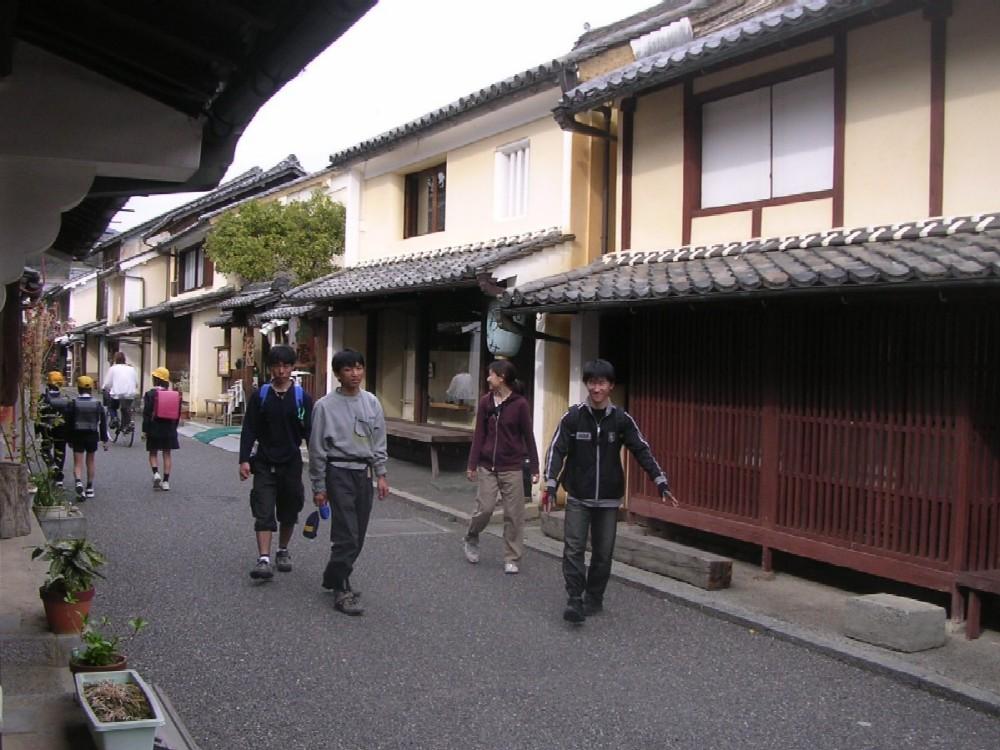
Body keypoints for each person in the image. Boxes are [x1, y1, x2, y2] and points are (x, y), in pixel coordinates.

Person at [542, 358, 676, 624]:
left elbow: (641, 449)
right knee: (573, 549)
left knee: (603, 554)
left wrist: (660, 480)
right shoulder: (573, 417)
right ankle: (574, 599)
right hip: (578, 496)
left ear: (611, 386)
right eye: (592, 382)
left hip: (608, 499)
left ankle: (594, 598)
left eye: (601, 383)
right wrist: (550, 483)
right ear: (586, 384)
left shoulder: (621, 419)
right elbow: (557, 450)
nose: (596, 388)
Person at [308, 349, 389, 615]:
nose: (355, 374)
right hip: (338, 471)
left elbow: (378, 441)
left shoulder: (371, 403)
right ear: (337, 374)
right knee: (347, 535)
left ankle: (334, 576)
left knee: (359, 534)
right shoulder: (324, 406)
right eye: (348, 369)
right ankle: (341, 588)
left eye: (358, 368)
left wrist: (381, 474)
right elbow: (317, 449)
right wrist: (319, 487)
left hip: (363, 473)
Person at [239, 345, 313, 581]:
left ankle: (282, 549)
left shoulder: (302, 398)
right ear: (270, 368)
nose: (281, 371)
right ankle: (264, 559)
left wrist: (318, 465)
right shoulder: (261, 396)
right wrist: (244, 459)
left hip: (291, 463)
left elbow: (310, 432)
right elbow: (249, 429)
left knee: (289, 509)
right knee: (263, 509)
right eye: (276, 366)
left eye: (286, 366)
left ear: (292, 367)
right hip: (264, 462)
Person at [462, 360, 539, 574]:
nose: (488, 378)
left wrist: (534, 467)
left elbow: (528, 436)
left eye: (491, 375)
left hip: (512, 466)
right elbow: (479, 435)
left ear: (502, 377)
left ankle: (512, 557)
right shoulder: (486, 402)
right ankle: (471, 536)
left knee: (514, 514)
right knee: (485, 509)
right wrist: (472, 464)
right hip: (487, 466)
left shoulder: (520, 404)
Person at [65, 375, 109, 501]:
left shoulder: (73, 403)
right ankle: (89, 487)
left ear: (78, 389)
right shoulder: (97, 404)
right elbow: (103, 423)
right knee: (90, 461)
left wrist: (68, 438)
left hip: (77, 435)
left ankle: (78, 481)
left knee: (77, 463)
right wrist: (104, 439)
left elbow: (68, 422)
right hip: (92, 435)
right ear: (91, 389)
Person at [142, 367, 181, 491]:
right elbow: (177, 414)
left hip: (154, 427)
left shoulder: (150, 394)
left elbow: (146, 413)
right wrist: (174, 428)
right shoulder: (174, 395)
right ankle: (166, 481)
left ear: (155, 379)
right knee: (167, 454)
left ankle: (156, 473)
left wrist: (145, 430)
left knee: (153, 452)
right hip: (169, 429)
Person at [37, 370, 70, 487]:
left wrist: (37, 431)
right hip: (62, 429)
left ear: (48, 383)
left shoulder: (43, 398)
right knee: (60, 450)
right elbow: (69, 416)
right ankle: (59, 477)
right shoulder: (66, 398)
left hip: (46, 428)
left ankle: (52, 465)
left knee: (45, 449)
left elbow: (38, 415)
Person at [101, 352, 139, 430]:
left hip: (117, 394)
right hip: (130, 393)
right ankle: (127, 424)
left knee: (111, 407)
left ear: (115, 359)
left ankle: (114, 418)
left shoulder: (113, 368)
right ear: (124, 359)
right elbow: (136, 383)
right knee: (126, 408)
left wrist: (105, 388)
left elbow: (107, 383)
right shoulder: (131, 368)